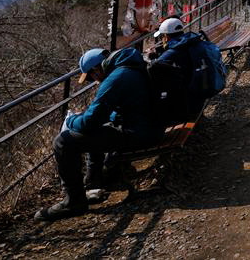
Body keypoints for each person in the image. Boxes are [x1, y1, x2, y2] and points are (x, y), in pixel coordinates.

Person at [36, 46, 161, 222]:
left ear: (96, 69)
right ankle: (93, 181)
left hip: (139, 134)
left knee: (63, 142)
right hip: (149, 127)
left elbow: (89, 122)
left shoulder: (115, 79)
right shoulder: (128, 66)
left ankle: (74, 201)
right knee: (95, 129)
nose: (94, 81)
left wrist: (71, 121)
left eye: (91, 77)